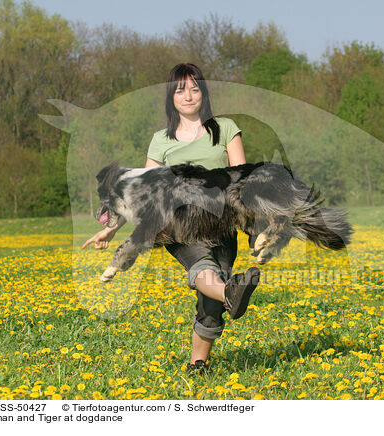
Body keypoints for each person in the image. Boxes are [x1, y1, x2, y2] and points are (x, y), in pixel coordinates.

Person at [82, 63, 261, 373]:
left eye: (194, 89)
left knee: (213, 300)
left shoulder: (226, 129)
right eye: (180, 90)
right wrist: (111, 230)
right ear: (171, 98)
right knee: (203, 269)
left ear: (203, 93)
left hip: (220, 223)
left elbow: (241, 180)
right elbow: (143, 194)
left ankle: (198, 363)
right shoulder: (161, 141)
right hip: (177, 226)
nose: (188, 96)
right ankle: (231, 291)